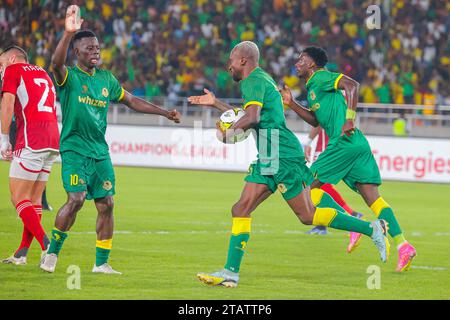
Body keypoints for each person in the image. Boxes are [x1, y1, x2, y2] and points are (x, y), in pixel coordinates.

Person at [188, 41, 390, 288]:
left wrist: (227, 134)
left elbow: (252, 118)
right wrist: (217, 104)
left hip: (281, 154)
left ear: (243, 60)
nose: (228, 66)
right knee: (241, 209)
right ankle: (230, 273)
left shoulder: (253, 81)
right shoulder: (260, 80)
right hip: (271, 154)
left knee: (308, 215)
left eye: (231, 60)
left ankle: (370, 229)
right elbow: (251, 116)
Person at [40, 5, 181, 274]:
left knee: (107, 203)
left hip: (99, 152)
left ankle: (101, 263)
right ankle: (52, 253)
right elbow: (55, 64)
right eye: (89, 48)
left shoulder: (106, 79)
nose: (96, 52)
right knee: (77, 199)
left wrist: (164, 113)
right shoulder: (69, 76)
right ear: (77, 52)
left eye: (97, 48)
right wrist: (68, 33)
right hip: (74, 149)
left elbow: (131, 101)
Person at [281, 46, 416, 272]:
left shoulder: (321, 77)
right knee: (374, 199)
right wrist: (292, 103)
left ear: (312, 64)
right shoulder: (313, 87)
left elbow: (352, 85)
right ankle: (403, 245)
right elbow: (316, 121)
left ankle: (355, 225)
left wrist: (349, 119)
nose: (297, 63)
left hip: (343, 142)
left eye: (302, 59)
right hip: (356, 144)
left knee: (307, 187)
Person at [0, 45, 60, 265]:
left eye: (1, 63)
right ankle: (22, 253)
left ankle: (47, 246)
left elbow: (7, 103)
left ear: (13, 58)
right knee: (34, 199)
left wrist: (4, 139)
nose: (0, 69)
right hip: (52, 139)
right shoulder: (43, 73)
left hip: (32, 138)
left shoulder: (13, 71)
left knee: (18, 197)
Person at [303, 125, 364, 252]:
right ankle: (328, 223)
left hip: (327, 146)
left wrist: (308, 142)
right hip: (327, 145)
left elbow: (318, 122)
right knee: (320, 186)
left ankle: (351, 218)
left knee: (314, 186)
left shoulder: (329, 108)